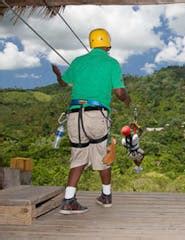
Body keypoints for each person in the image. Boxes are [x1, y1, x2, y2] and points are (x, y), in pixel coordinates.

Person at [52, 28, 130, 214]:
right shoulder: (111, 63)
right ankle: (106, 196)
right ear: (108, 44)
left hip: (75, 114)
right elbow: (119, 92)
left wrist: (57, 75)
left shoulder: (79, 62)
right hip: (96, 114)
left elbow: (63, 83)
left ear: (91, 43)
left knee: (78, 156)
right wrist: (127, 100)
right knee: (103, 156)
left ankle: (69, 200)